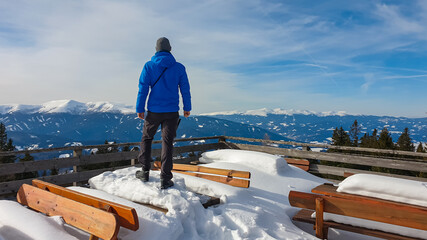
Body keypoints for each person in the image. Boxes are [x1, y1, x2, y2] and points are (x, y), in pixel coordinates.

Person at [135, 37, 191, 189]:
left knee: (147, 138)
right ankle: (165, 178)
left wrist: (140, 108)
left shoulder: (149, 66)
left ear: (156, 49)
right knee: (167, 143)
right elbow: (185, 89)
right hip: (172, 111)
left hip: (154, 111)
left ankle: (145, 171)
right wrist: (187, 107)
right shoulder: (179, 68)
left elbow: (143, 88)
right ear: (170, 49)